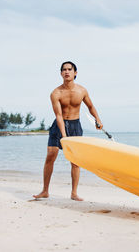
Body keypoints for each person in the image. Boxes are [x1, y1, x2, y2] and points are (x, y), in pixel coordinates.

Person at [33, 61, 103, 201]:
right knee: (50, 156)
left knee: (75, 161)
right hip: (59, 125)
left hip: (75, 125)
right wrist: (64, 136)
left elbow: (90, 106)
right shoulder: (56, 93)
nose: (67, 72)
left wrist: (98, 120)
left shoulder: (82, 91)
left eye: (69, 69)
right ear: (61, 73)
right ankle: (45, 191)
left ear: (75, 73)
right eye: (64, 69)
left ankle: (74, 193)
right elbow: (58, 115)